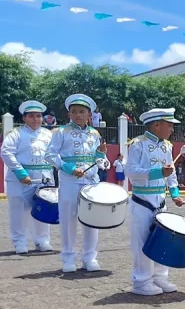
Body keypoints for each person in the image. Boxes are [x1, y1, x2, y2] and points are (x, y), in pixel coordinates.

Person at [45, 94, 108, 273]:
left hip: (91, 182)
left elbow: (99, 160)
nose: (78, 115)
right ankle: (68, 257)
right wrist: (69, 168)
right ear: (69, 114)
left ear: (89, 115)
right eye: (74, 112)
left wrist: (101, 155)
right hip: (70, 181)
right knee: (68, 219)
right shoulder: (60, 132)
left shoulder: (94, 133)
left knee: (91, 220)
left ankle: (90, 257)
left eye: (82, 112)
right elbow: (50, 155)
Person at [126, 108, 185, 295]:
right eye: (169, 125)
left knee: (162, 240)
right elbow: (131, 172)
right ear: (156, 124)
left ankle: (160, 277)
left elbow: (171, 171)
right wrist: (158, 173)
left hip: (160, 200)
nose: (172, 129)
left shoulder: (167, 146)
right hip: (142, 200)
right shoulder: (137, 145)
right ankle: (141, 281)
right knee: (142, 241)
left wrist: (174, 192)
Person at [1, 100, 54, 254]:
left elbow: (55, 153)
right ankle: (20, 242)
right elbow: (6, 152)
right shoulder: (16, 134)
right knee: (19, 211)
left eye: (38, 116)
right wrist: (21, 173)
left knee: (43, 209)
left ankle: (42, 240)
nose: (35, 119)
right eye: (31, 116)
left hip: (44, 178)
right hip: (20, 180)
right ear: (24, 118)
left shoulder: (48, 134)